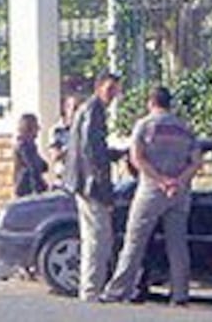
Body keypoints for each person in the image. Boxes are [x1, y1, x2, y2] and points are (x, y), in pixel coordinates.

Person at [101, 86, 202, 306]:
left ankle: (118, 290)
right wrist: (178, 181)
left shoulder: (145, 125)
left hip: (151, 189)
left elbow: (137, 158)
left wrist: (160, 180)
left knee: (134, 242)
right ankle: (180, 294)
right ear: (169, 103)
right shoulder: (185, 128)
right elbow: (196, 162)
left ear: (151, 102)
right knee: (177, 245)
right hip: (179, 192)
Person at [63, 72, 122, 302]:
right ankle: (90, 290)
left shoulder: (91, 109)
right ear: (98, 88)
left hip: (84, 182)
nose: (112, 95)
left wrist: (115, 154)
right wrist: (103, 190)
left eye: (115, 90)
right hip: (90, 185)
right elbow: (92, 153)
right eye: (109, 90)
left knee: (95, 237)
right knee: (98, 238)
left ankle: (90, 288)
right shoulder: (93, 110)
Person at [13, 113, 49, 197]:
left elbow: (43, 166)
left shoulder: (31, 146)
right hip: (26, 189)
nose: (38, 129)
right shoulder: (24, 146)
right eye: (35, 127)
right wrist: (39, 189)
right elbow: (32, 168)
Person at [48, 94, 80, 186]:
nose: (76, 112)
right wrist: (71, 148)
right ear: (65, 108)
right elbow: (54, 155)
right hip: (63, 179)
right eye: (74, 108)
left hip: (81, 180)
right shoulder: (57, 130)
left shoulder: (84, 130)